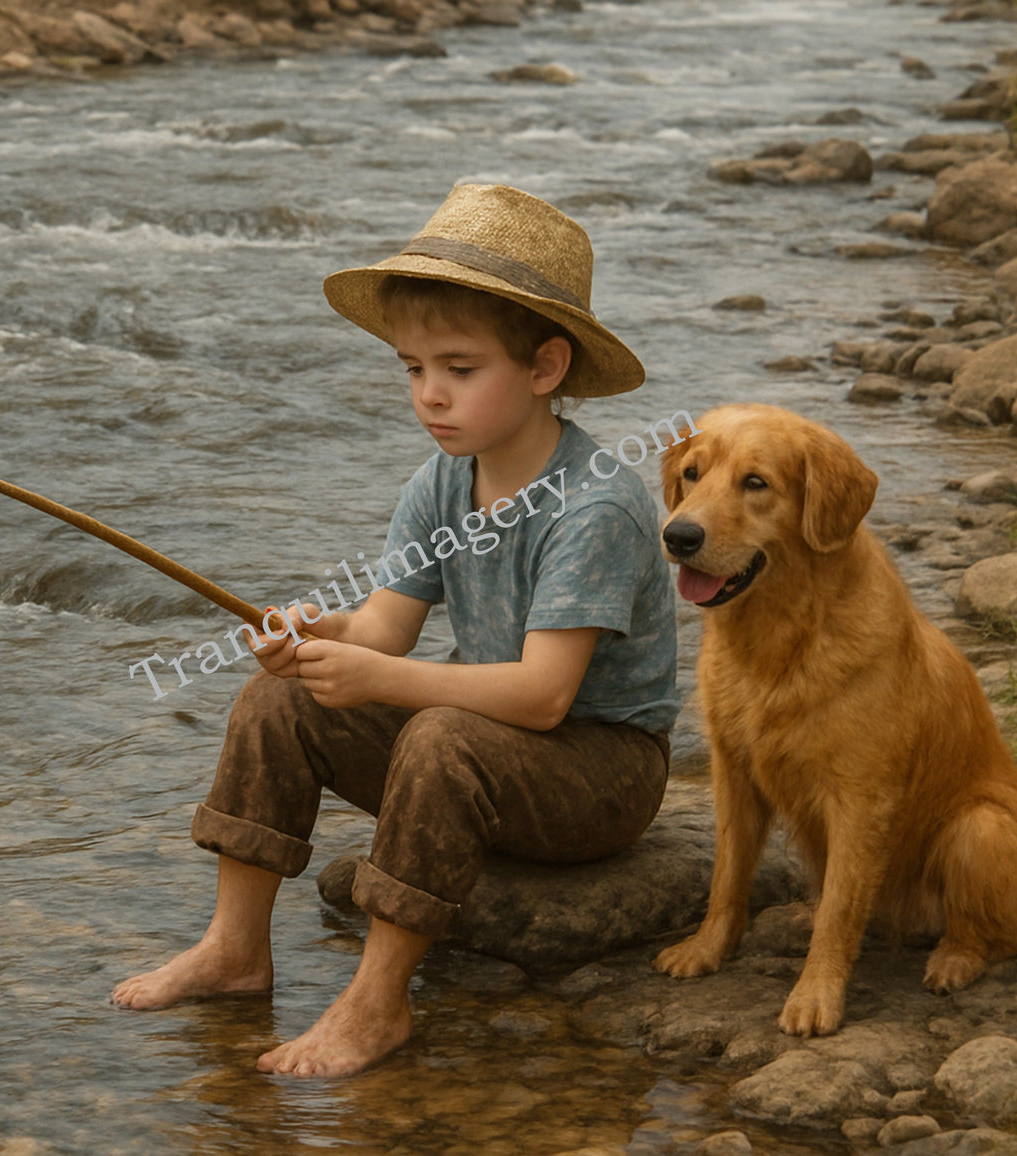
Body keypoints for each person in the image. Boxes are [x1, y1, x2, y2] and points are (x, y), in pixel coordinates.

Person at [111, 183, 679, 1078]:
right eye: (413, 368)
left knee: (442, 736)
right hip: (493, 740)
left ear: (544, 370)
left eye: (459, 368)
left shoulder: (594, 501)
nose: (430, 395)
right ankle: (233, 950)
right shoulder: (439, 484)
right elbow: (385, 629)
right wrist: (314, 637)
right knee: (278, 698)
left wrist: (384, 683)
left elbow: (542, 696)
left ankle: (377, 1005)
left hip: (597, 768)